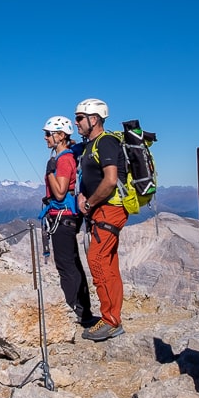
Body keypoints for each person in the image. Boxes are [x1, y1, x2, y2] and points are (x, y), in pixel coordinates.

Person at [74, 98, 127, 341]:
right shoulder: (90, 145)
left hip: (109, 209)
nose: (77, 123)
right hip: (101, 210)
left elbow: (110, 179)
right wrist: (83, 194)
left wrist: (90, 202)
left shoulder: (105, 142)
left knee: (96, 259)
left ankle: (110, 321)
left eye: (80, 118)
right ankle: (113, 316)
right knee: (108, 263)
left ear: (93, 119)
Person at [40, 115, 94, 326]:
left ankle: (74, 311)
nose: (45, 138)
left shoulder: (62, 160)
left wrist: (50, 172)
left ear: (60, 135)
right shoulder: (66, 156)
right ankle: (83, 310)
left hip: (62, 217)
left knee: (66, 266)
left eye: (48, 134)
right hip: (66, 217)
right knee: (72, 264)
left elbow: (60, 192)